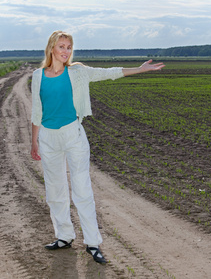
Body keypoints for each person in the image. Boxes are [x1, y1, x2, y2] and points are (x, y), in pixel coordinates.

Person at [31, 30, 165, 264]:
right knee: (55, 191)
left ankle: (93, 243)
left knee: (82, 190)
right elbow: (36, 111)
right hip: (48, 139)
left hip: (73, 135)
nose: (66, 51)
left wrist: (140, 69)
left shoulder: (77, 72)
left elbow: (109, 73)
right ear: (52, 48)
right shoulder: (37, 75)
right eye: (61, 46)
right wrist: (34, 141)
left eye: (69, 47)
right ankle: (64, 236)